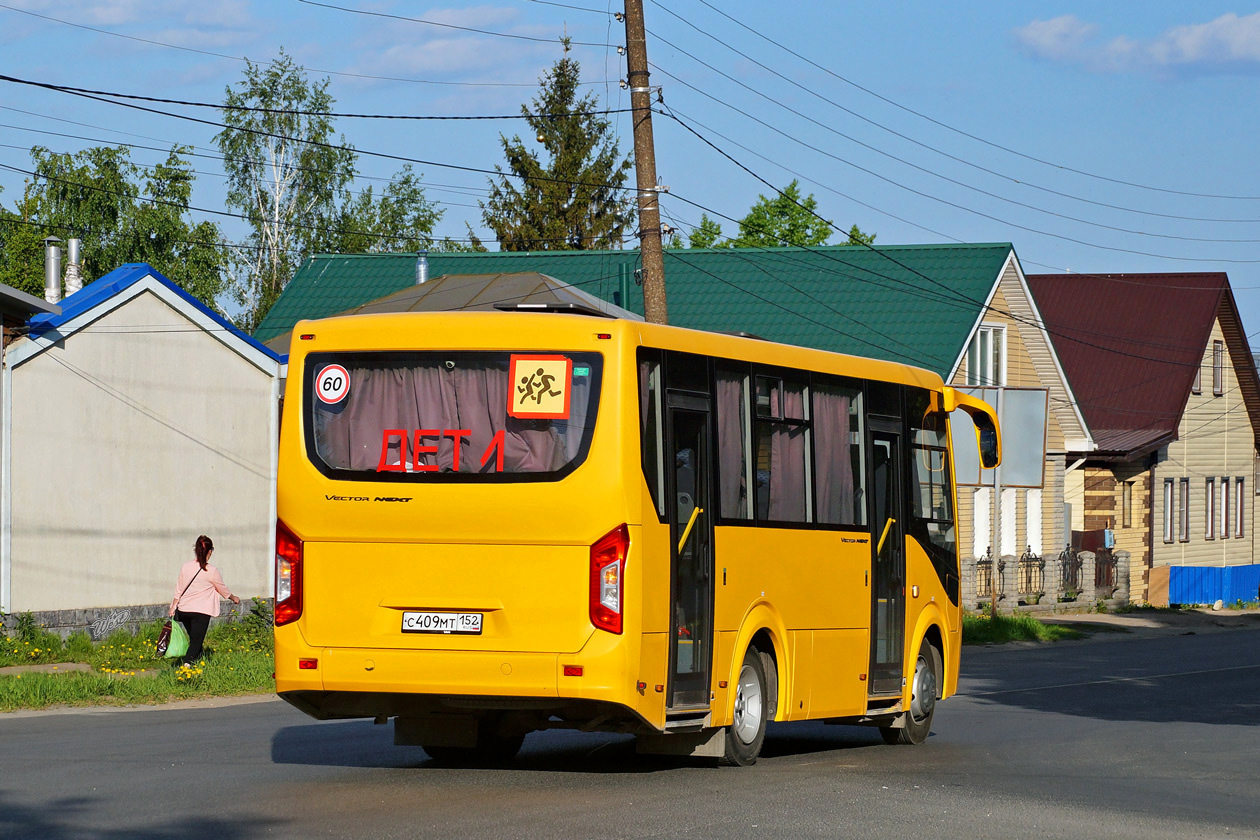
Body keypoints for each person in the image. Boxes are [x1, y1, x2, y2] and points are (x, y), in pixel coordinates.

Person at [169, 535, 240, 666]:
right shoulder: (212, 571)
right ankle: (186, 666)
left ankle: (199, 661)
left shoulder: (186, 567)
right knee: (196, 642)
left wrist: (173, 606)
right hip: (201, 612)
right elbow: (222, 588)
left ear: (195, 550)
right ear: (210, 551)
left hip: (184, 610)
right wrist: (233, 597)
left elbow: (179, 588)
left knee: (195, 639)